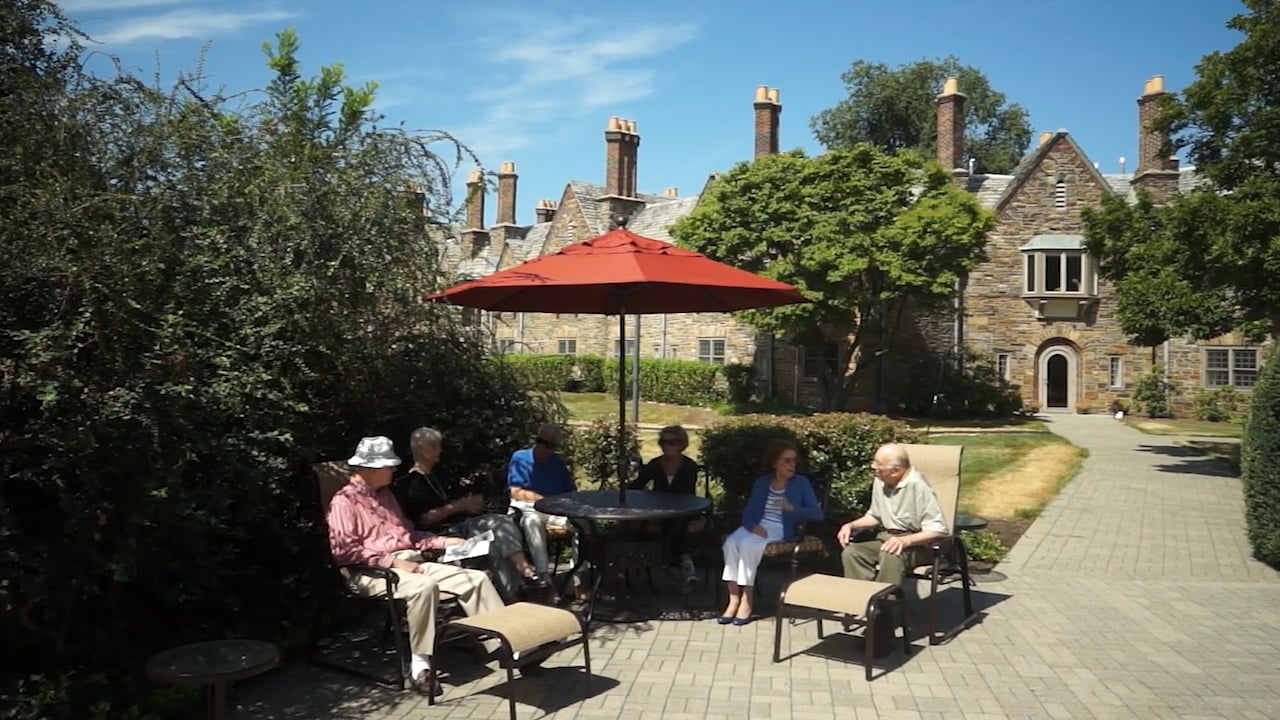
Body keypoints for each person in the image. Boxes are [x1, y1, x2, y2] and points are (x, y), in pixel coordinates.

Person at [327, 436, 505, 696]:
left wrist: (445, 542)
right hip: (368, 572)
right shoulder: (344, 503)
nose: (394, 469)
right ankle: (420, 666)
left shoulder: (386, 496)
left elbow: (409, 537)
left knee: (474, 579)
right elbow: (343, 552)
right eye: (389, 465)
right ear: (370, 468)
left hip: (409, 562)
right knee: (424, 587)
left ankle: (507, 642)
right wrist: (393, 561)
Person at [391, 427, 550, 601]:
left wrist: (468, 506)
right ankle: (520, 584)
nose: (440, 450)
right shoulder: (411, 484)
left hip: (461, 527)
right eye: (435, 446)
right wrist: (460, 505)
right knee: (496, 535)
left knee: (499, 529)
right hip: (440, 538)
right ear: (422, 449)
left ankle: (519, 584)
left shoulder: (436, 476)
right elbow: (424, 520)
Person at [835, 442, 948, 653]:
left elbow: (939, 530)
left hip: (918, 543)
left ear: (896, 470)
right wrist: (850, 525)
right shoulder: (881, 481)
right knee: (853, 552)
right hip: (887, 538)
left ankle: (883, 623)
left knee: (891, 553)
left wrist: (906, 541)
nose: (873, 468)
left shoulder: (918, 486)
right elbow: (874, 516)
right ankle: (866, 605)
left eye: (878, 464)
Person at [719, 439, 823, 625]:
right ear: (775, 462)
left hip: (781, 529)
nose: (792, 465)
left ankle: (747, 600)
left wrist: (793, 508)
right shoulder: (763, 483)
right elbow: (749, 512)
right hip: (758, 526)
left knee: (747, 545)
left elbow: (817, 513)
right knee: (731, 543)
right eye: (787, 460)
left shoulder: (801, 483)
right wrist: (752, 526)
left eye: (794, 460)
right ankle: (733, 598)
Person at [629, 424, 703, 585]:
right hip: (657, 512)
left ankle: (671, 561)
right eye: (663, 442)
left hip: (683, 511)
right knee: (673, 527)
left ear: (682, 444)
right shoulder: (655, 464)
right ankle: (684, 563)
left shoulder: (689, 466)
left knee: (678, 523)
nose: (667, 446)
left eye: (672, 442)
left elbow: (687, 494)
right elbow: (636, 486)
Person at [507, 423, 578, 583]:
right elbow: (516, 492)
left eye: (549, 445)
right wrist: (542, 499)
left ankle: (576, 578)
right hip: (528, 509)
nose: (543, 447)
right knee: (532, 522)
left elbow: (570, 491)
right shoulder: (520, 458)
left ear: (554, 447)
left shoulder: (557, 463)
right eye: (540, 441)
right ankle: (544, 577)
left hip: (554, 511)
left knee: (582, 525)